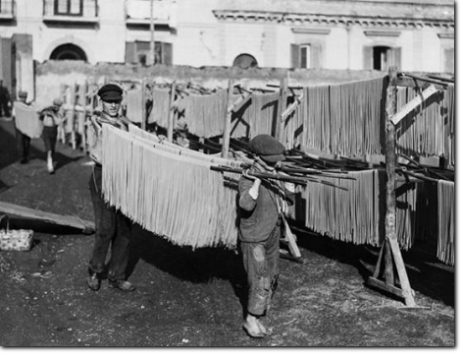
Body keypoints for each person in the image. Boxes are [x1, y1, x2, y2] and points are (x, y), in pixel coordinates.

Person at [237, 134, 296, 338]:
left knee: (271, 275)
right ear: (258, 157)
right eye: (272, 160)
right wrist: (256, 183)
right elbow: (245, 205)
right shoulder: (248, 176)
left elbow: (288, 202)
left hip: (271, 234)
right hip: (255, 239)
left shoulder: (275, 173)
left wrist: (289, 188)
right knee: (260, 278)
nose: (276, 163)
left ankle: (259, 316)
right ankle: (250, 320)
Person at [85, 83, 136, 292]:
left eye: (116, 101)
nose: (113, 105)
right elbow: (96, 153)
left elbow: (139, 140)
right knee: (106, 228)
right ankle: (96, 271)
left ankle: (117, 275)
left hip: (125, 176)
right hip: (104, 175)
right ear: (101, 102)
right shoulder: (95, 123)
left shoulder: (126, 123)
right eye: (109, 101)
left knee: (124, 229)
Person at [12, 91, 41, 164]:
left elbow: (13, 115)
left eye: (23, 97)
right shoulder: (27, 106)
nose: (23, 99)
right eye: (22, 97)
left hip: (20, 125)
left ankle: (23, 157)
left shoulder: (17, 105)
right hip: (25, 125)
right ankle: (24, 156)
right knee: (25, 141)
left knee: (22, 141)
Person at [39, 98, 65, 174]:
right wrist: (45, 112)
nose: (56, 107)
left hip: (54, 131)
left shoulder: (59, 113)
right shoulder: (48, 110)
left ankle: (50, 161)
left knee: (52, 149)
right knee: (49, 149)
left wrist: (53, 115)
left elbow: (59, 121)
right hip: (46, 130)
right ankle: (50, 166)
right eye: (55, 105)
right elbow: (40, 116)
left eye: (58, 106)